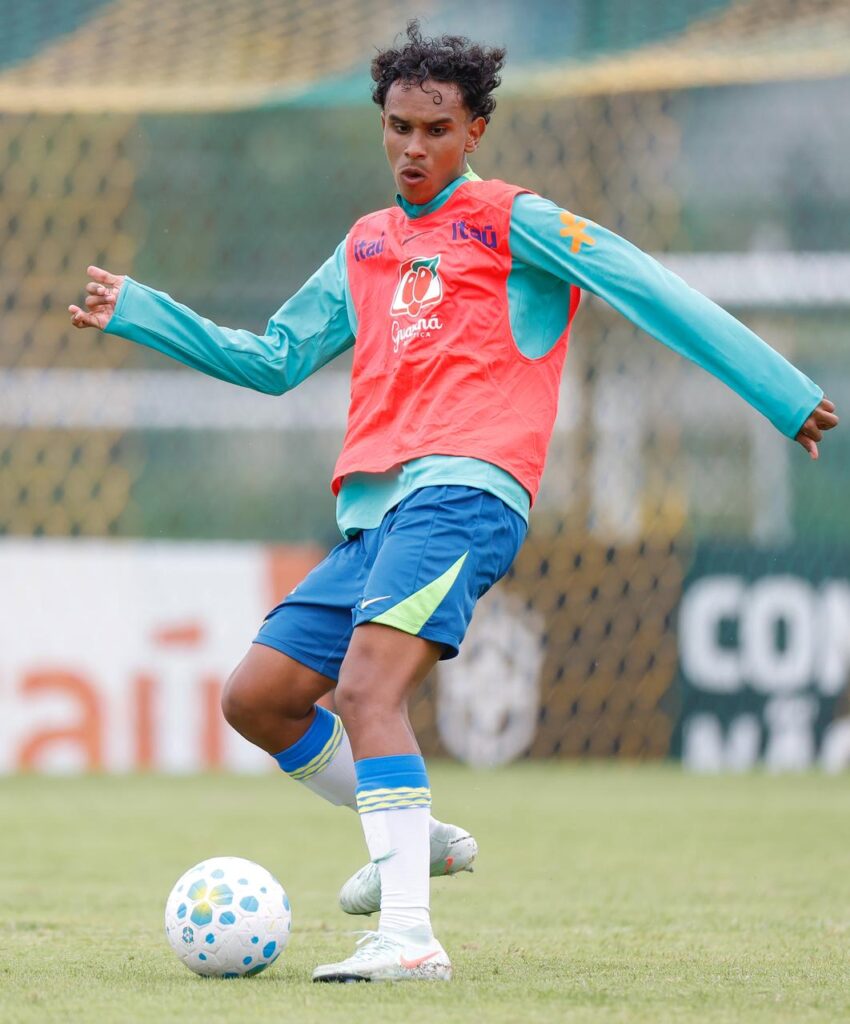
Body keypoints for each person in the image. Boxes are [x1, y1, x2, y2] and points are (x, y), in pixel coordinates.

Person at [69, 21, 838, 983]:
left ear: (475, 130)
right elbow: (273, 361)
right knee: (258, 699)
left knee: (366, 691)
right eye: (399, 127)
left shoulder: (516, 220)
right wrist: (142, 312)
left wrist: (781, 392)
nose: (414, 147)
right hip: (375, 517)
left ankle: (409, 937)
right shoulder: (365, 245)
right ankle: (413, 832)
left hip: (467, 493)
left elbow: (645, 286)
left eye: (437, 129)